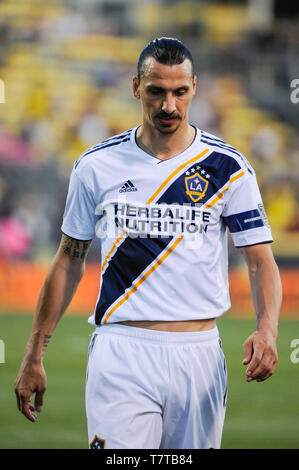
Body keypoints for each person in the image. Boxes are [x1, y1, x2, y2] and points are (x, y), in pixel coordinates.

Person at [14, 37, 282, 449]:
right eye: (156, 91)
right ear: (136, 88)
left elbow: (261, 262)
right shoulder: (96, 166)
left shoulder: (229, 168)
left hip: (199, 354)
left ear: (194, 87)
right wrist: (34, 353)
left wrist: (267, 330)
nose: (168, 106)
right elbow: (68, 261)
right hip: (121, 351)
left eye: (179, 92)